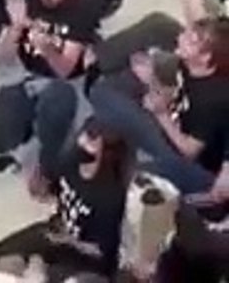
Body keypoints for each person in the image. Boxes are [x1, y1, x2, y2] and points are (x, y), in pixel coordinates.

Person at [0, 0, 99, 197]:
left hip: (64, 83)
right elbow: (2, 57)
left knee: (57, 105)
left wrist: (47, 48)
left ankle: (47, 165)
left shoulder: (81, 8)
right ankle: (28, 124)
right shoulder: (25, 0)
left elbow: (66, 70)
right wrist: (16, 26)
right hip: (27, 75)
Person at [90, 14, 229, 197]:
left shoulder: (212, 100)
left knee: (103, 95)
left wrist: (161, 114)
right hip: (171, 115)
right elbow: (179, 93)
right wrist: (152, 81)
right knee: (159, 26)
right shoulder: (192, 67)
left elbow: (189, 152)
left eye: (191, 41)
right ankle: (95, 63)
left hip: (181, 153)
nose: (181, 37)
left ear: (206, 58)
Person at [0, 120, 130, 280]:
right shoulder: (70, 160)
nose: (82, 141)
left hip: (86, 258)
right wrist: (41, 187)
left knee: (45, 275)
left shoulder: (108, 196)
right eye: (84, 134)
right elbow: (54, 191)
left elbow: (100, 251)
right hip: (58, 230)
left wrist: (67, 241)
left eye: (91, 140)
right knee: (0, 252)